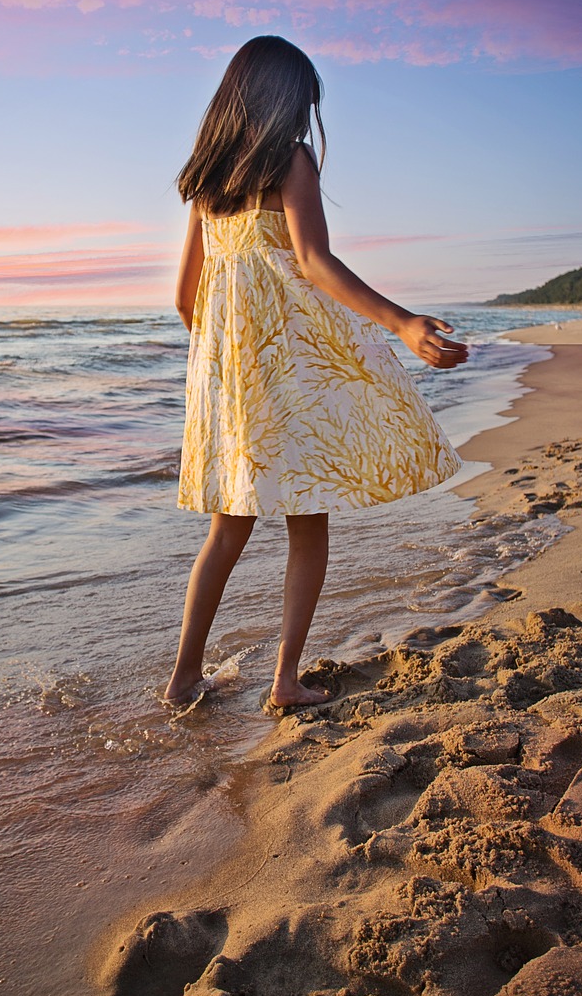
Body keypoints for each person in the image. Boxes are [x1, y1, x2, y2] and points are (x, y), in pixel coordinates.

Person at [165, 35, 468, 712]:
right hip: (291, 374)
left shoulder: (205, 184)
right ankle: (284, 680)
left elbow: (186, 298)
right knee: (308, 521)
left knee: (227, 531)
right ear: (283, 100)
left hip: (230, 383)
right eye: (303, 100)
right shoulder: (289, 159)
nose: (306, 115)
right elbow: (314, 263)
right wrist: (401, 322)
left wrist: (225, 365)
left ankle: (183, 678)